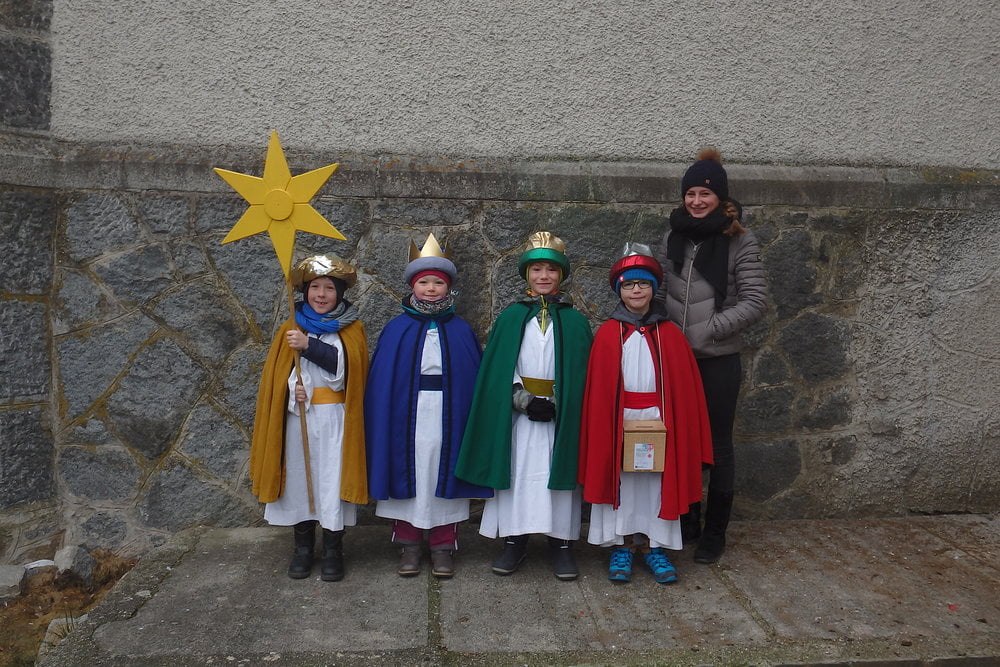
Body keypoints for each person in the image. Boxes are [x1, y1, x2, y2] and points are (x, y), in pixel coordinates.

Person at [455, 231, 593, 581]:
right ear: (526, 274)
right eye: (536, 269)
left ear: (561, 275)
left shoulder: (575, 321)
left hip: (560, 416)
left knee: (558, 476)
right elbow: (500, 368)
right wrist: (524, 400)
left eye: (551, 269)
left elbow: (581, 371)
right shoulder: (511, 317)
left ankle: (562, 543)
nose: (544, 276)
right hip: (521, 415)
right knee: (519, 476)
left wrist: (559, 401)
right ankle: (515, 540)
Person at [653, 148, 768, 564]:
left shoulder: (740, 240)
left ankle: (715, 533)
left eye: (705, 194)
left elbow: (754, 301)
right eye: (691, 194)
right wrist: (658, 329)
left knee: (718, 447)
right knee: (679, 441)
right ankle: (687, 520)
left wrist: (711, 328)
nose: (697, 201)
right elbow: (661, 292)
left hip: (718, 359)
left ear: (720, 197)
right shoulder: (673, 237)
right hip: (676, 360)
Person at [579, 245, 713, 583]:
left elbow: (684, 391)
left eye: (643, 284)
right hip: (618, 421)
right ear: (619, 290)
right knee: (623, 482)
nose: (636, 290)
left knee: (656, 483)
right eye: (628, 285)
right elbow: (598, 391)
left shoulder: (670, 335)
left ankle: (656, 547)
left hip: (660, 420)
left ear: (653, 289)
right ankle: (622, 546)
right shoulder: (608, 334)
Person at [365, 234, 491, 579]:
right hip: (404, 414)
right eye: (424, 282)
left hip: (449, 414)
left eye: (438, 282)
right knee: (410, 471)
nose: (431, 289)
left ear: (448, 287)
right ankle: (408, 544)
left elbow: (472, 378)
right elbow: (382, 382)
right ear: (413, 286)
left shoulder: (460, 330)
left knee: (442, 471)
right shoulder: (397, 329)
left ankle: (442, 546)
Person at [249, 254, 369, 582]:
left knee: (331, 481)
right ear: (305, 291)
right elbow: (276, 380)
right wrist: (292, 391)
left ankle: (333, 549)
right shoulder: (291, 328)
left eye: (329, 288)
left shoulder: (352, 329)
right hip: (298, 417)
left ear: (339, 293)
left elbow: (348, 371)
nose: (321, 294)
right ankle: (302, 548)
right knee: (301, 481)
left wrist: (309, 347)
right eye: (315, 287)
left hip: (334, 420)